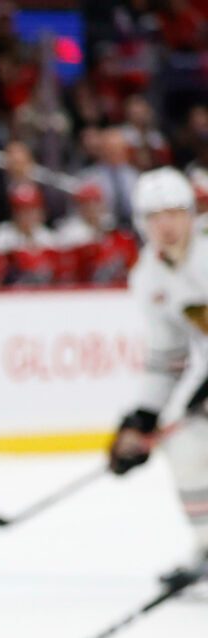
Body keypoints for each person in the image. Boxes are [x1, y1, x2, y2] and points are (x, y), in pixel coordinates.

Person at [108, 167, 208, 568]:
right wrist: (142, 417)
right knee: (184, 444)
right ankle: (206, 548)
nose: (166, 224)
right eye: (155, 215)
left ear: (191, 213)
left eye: (174, 212)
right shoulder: (148, 277)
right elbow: (168, 357)